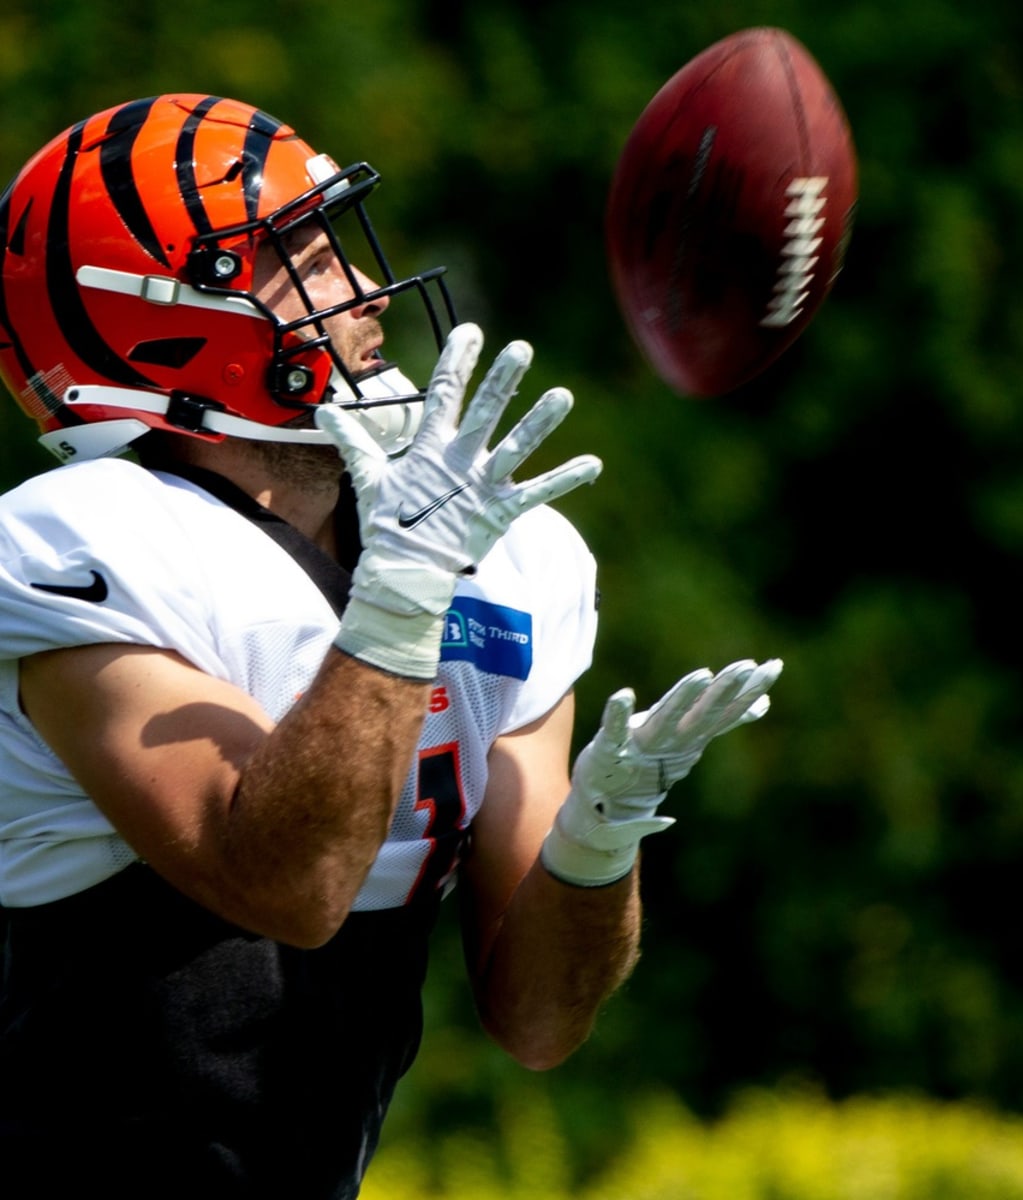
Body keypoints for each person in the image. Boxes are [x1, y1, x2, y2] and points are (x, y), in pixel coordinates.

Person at [0, 94, 781, 1198]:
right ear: (166, 315)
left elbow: (541, 1022)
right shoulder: (84, 542)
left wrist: (598, 844)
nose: (365, 291)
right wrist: (400, 599)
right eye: (303, 259)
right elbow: (290, 886)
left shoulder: (501, 555)